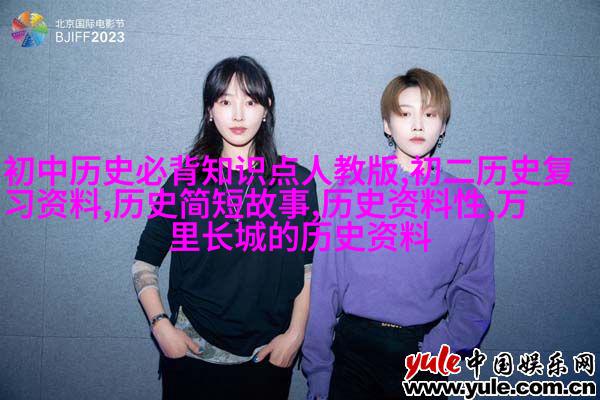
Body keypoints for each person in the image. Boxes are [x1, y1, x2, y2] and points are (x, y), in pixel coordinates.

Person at [301, 68, 495, 399]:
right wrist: (318, 368)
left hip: (423, 355)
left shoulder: (468, 202)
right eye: (405, 114)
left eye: (429, 114)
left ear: (443, 126)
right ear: (387, 125)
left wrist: (441, 347)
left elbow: (476, 293)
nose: (418, 125)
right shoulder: (350, 192)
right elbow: (324, 288)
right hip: (353, 353)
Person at [132, 56, 319, 399]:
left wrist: (295, 336)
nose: (238, 115)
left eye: (250, 102)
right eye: (225, 102)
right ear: (210, 110)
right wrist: (161, 327)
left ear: (266, 109)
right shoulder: (184, 182)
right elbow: (144, 262)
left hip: (266, 357)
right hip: (192, 353)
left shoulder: (297, 182)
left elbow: (308, 269)